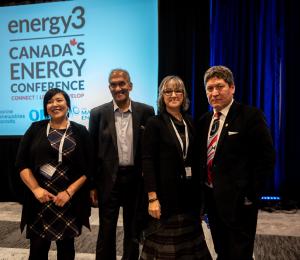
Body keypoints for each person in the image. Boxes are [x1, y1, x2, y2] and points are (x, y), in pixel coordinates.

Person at [196, 65, 276, 260]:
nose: (214, 92)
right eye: (209, 88)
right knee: (221, 250)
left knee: (240, 252)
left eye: (219, 86)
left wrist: (251, 195)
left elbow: (266, 157)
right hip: (212, 199)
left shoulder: (250, 116)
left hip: (241, 202)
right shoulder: (204, 120)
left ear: (232, 88)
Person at [15, 88, 93, 260]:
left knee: (66, 250)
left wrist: (68, 193)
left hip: (68, 202)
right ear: (45, 107)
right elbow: (21, 163)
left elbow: (89, 168)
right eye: (49, 101)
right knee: (37, 250)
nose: (54, 104)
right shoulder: (35, 129)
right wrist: (36, 189)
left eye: (59, 100)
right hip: (40, 202)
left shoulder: (80, 131)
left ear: (67, 104)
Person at [140, 75, 212, 259]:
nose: (174, 94)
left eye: (178, 90)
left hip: (189, 199)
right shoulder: (154, 123)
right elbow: (147, 161)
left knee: (189, 252)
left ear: (184, 95)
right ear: (162, 96)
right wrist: (152, 198)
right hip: (165, 199)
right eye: (168, 91)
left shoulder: (190, 121)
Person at [89, 68, 155, 260]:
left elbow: (149, 149)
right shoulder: (97, 114)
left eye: (122, 83)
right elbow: (92, 152)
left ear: (130, 86)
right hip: (107, 180)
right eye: (113, 84)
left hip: (135, 180)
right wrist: (92, 185)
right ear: (109, 87)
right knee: (106, 230)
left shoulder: (146, 111)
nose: (118, 88)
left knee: (133, 229)